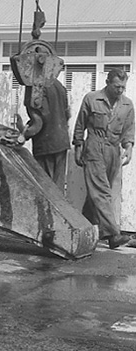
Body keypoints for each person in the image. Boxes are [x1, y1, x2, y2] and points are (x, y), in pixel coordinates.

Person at [72, 68, 135, 249]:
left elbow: (129, 129)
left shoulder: (127, 105)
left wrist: (128, 148)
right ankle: (113, 235)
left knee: (96, 196)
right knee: (101, 192)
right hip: (94, 148)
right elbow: (80, 125)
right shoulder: (92, 98)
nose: (120, 90)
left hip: (113, 151)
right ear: (107, 83)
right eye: (117, 86)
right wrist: (78, 147)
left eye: (123, 87)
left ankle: (82, 229)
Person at [21, 74, 71, 188]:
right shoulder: (58, 85)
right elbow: (67, 113)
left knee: (45, 188)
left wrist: (25, 133)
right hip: (61, 141)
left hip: (46, 144)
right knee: (58, 186)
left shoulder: (36, 86)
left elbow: (40, 121)